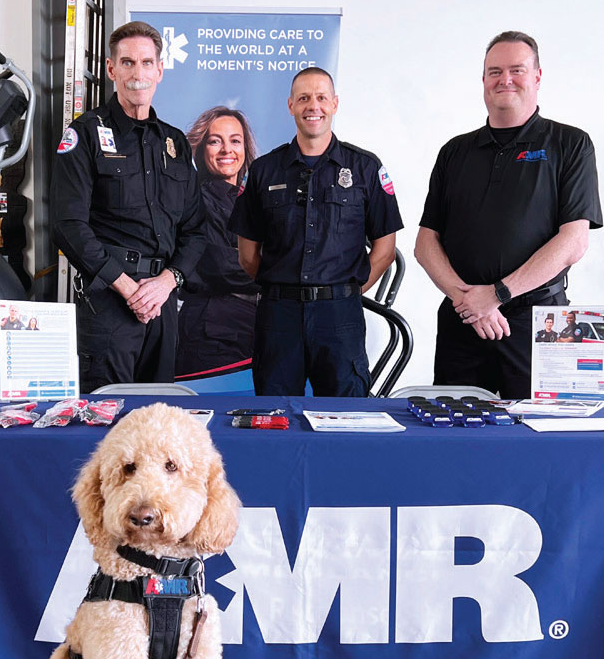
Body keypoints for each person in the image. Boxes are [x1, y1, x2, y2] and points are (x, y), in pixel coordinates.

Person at [414, 31, 603, 399]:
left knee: (540, 441)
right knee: (458, 436)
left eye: (516, 70)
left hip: (540, 324)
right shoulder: (455, 152)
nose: (505, 80)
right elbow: (425, 243)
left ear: (537, 76)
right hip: (463, 321)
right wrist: (469, 302)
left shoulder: (571, 144)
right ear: (483, 79)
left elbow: (573, 242)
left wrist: (497, 295)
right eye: (494, 71)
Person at [229, 67, 403, 396]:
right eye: (304, 98)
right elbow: (248, 254)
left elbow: (385, 249)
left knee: (345, 419)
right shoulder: (264, 170)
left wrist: (344, 291)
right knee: (275, 419)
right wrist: (286, 288)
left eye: (322, 97)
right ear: (290, 105)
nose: (314, 106)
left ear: (335, 104)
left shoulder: (364, 168)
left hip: (340, 318)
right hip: (279, 316)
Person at [51, 21, 204, 393]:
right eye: (128, 63)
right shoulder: (85, 133)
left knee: (158, 424)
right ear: (111, 69)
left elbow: (197, 230)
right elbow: (68, 225)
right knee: (105, 426)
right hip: (108, 304)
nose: (138, 74)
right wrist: (126, 287)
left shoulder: (175, 143)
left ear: (160, 70)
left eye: (147, 63)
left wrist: (166, 283)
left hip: (162, 303)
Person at [175, 107, 259, 378]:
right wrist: (284, 273)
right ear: (201, 149)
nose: (226, 150)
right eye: (215, 141)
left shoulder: (249, 200)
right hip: (212, 332)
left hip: (248, 326)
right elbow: (223, 266)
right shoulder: (196, 201)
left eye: (235, 141)